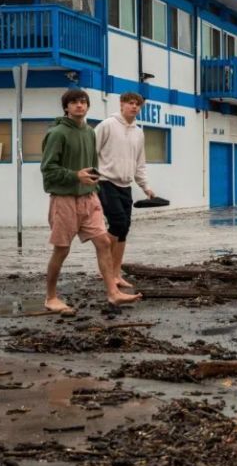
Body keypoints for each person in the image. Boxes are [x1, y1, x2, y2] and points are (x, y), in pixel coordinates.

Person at [41, 89, 141, 312]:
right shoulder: (57, 133)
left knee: (104, 242)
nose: (79, 105)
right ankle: (51, 297)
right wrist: (75, 175)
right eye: (74, 102)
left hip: (88, 198)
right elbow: (47, 169)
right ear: (66, 107)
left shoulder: (89, 132)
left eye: (83, 102)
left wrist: (94, 185)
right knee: (62, 249)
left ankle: (113, 293)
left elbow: (92, 164)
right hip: (64, 199)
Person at [95, 92, 155, 289]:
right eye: (131, 103)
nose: (135, 107)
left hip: (125, 185)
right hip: (105, 181)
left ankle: (116, 274)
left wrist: (146, 187)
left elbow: (140, 163)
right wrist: (90, 179)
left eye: (138, 104)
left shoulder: (139, 132)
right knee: (117, 223)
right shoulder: (107, 125)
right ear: (121, 104)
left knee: (124, 229)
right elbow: (91, 151)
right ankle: (106, 270)